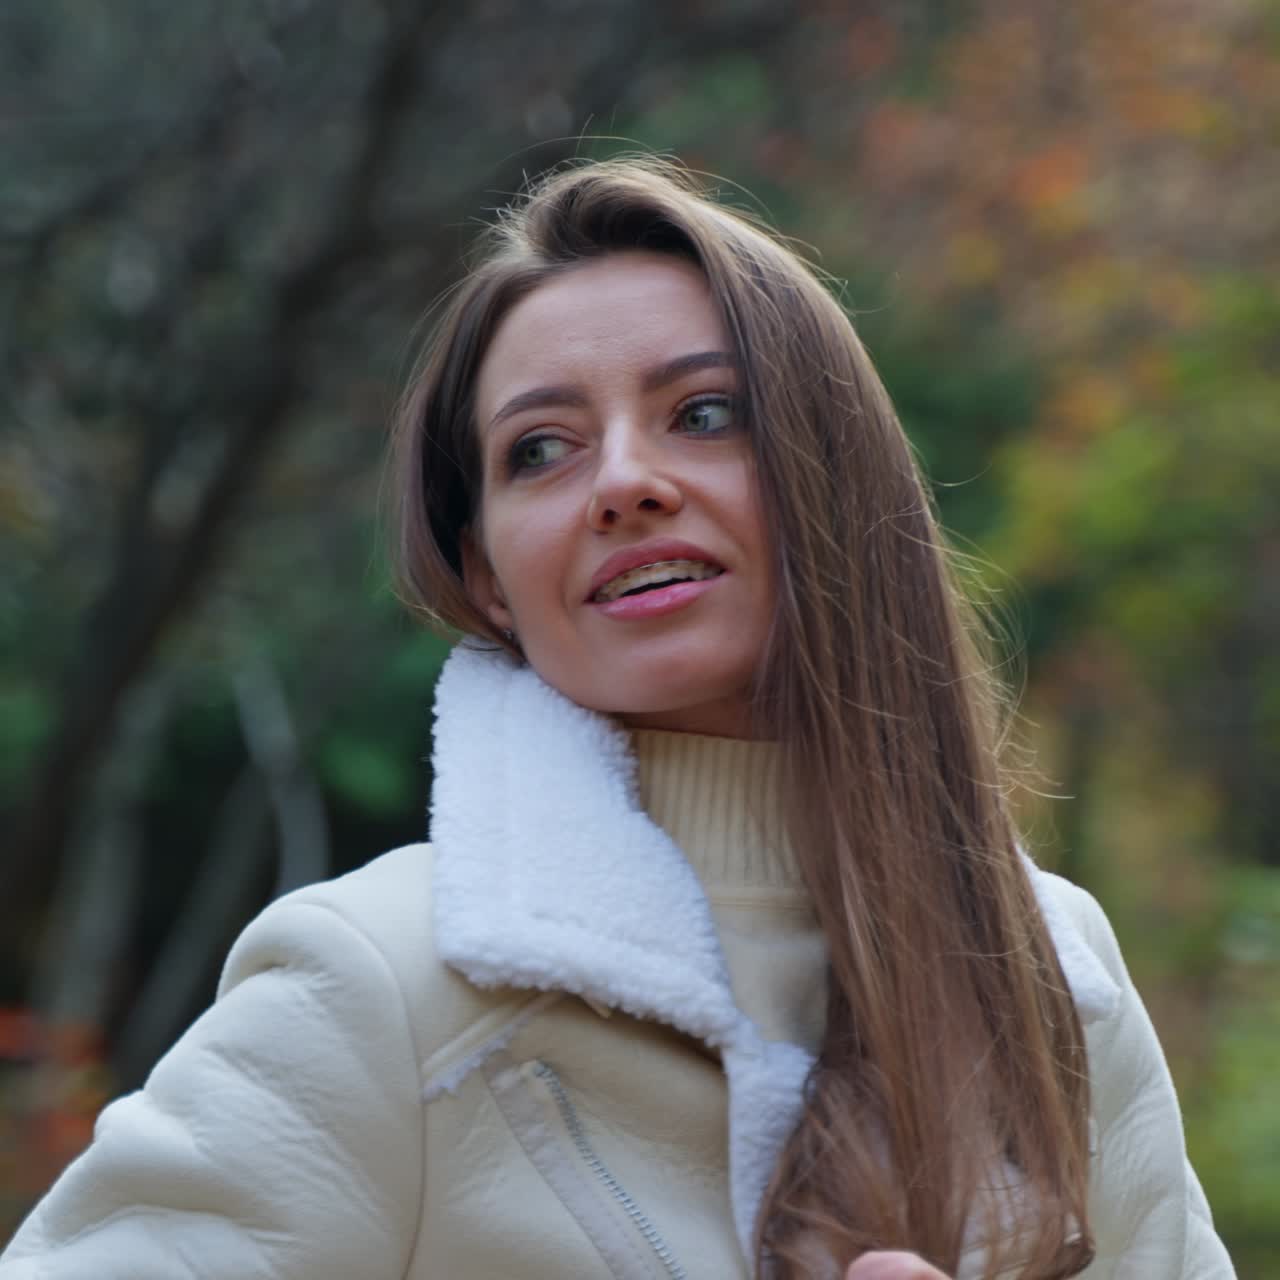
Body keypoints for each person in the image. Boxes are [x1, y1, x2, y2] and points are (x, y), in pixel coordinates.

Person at [0, 158, 1234, 1279]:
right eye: (540, 449)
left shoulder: (1052, 971)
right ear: (488, 575)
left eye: (702, 413)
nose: (624, 482)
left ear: (834, 473)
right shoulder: (385, 977)